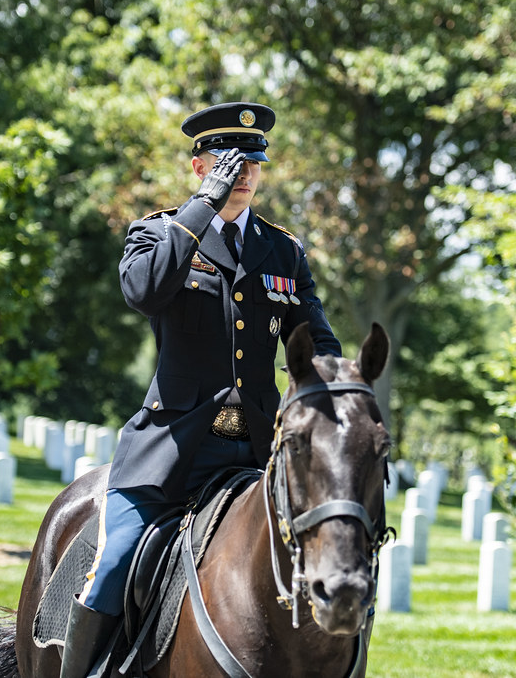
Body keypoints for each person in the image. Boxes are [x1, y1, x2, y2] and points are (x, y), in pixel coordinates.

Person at [60, 102, 341, 677]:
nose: (242, 171)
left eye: (252, 160)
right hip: (171, 452)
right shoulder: (162, 231)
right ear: (198, 167)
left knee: (331, 559)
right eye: (226, 160)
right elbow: (142, 291)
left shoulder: (283, 250)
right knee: (114, 562)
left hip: (256, 454)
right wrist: (202, 207)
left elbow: (316, 341)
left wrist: (339, 384)